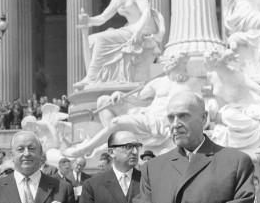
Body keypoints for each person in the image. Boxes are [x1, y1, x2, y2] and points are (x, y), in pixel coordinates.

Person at [65, 52, 203, 157]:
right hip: (147, 114)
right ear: (173, 66)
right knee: (104, 101)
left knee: (116, 122)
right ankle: (116, 141)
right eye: (182, 65)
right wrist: (119, 94)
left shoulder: (191, 83)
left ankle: (85, 149)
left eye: (185, 65)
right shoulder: (158, 82)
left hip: (159, 122)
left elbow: (200, 104)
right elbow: (137, 97)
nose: (185, 69)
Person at [75, 0, 164, 87]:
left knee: (102, 39)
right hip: (130, 29)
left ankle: (91, 78)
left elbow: (146, 12)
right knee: (91, 40)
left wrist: (138, 31)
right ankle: (95, 78)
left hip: (144, 28)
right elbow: (102, 18)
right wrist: (88, 20)